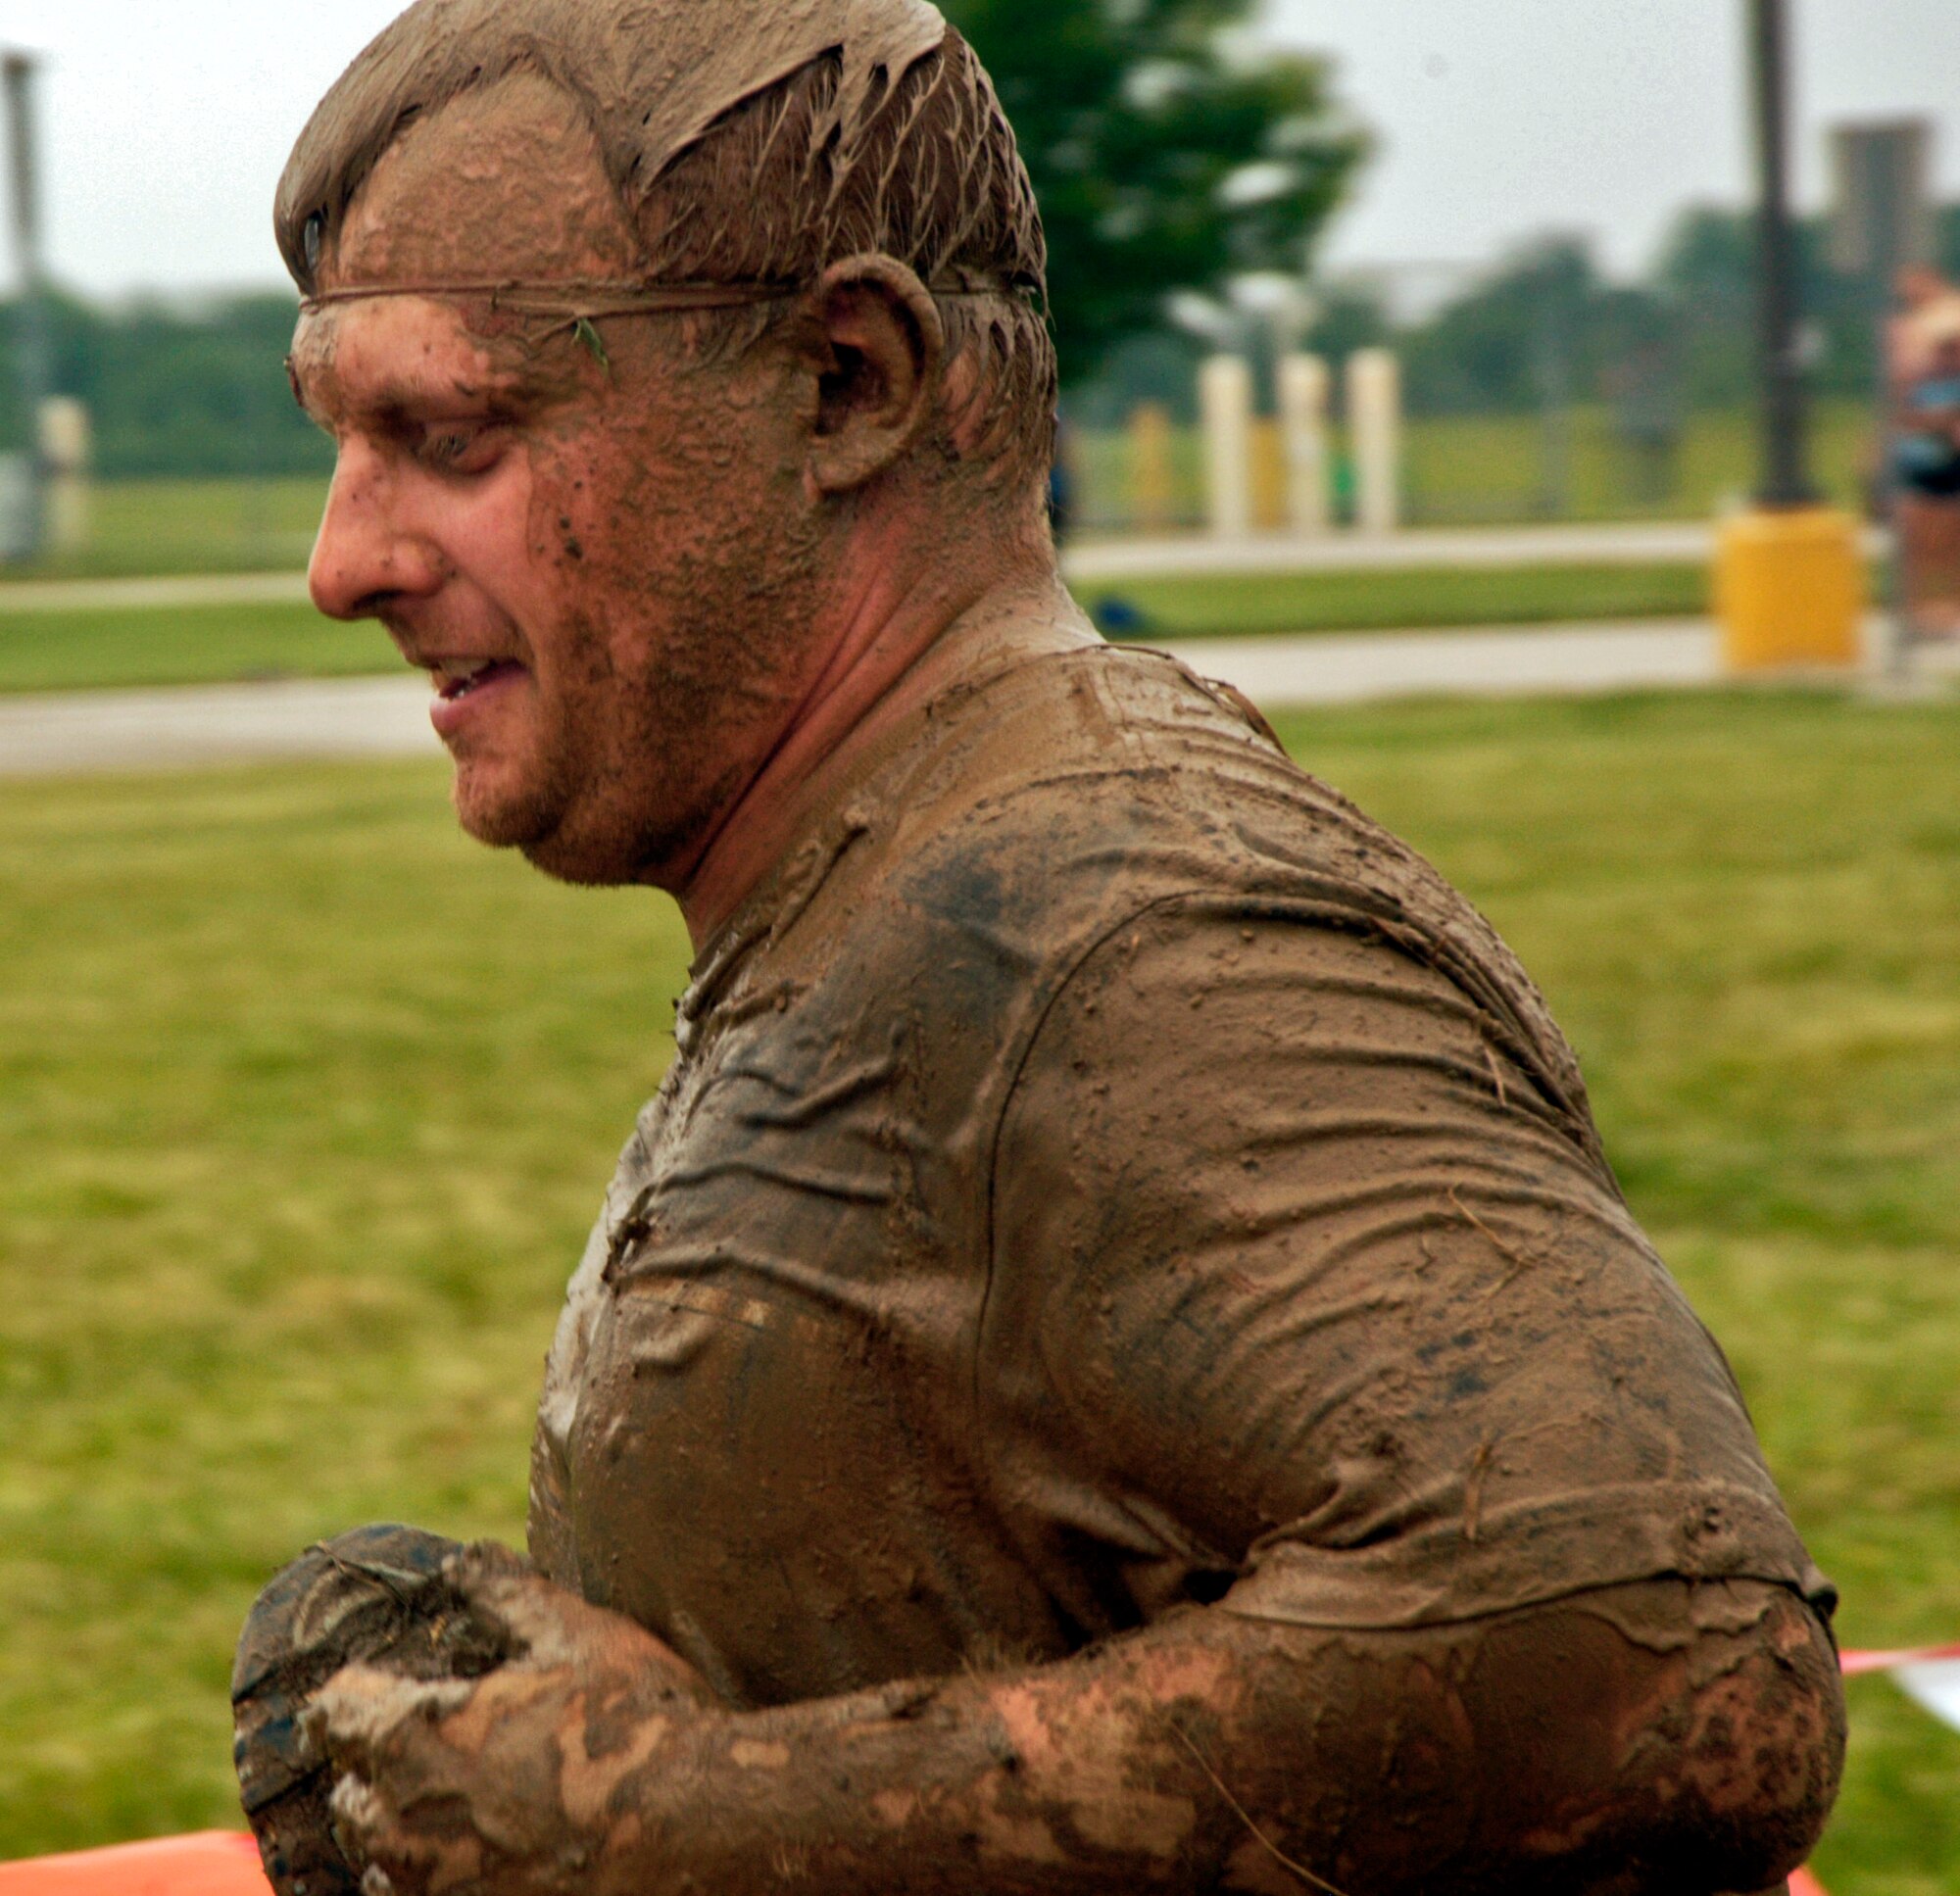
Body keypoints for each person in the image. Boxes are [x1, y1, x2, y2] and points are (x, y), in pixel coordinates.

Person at [238, 0, 1845, 1890]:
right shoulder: (920, 870)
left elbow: (1661, 1653)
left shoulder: (1110, 919)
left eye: (452, 431)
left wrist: (659, 1828)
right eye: (345, 441)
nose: (344, 562)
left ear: (845, 381)